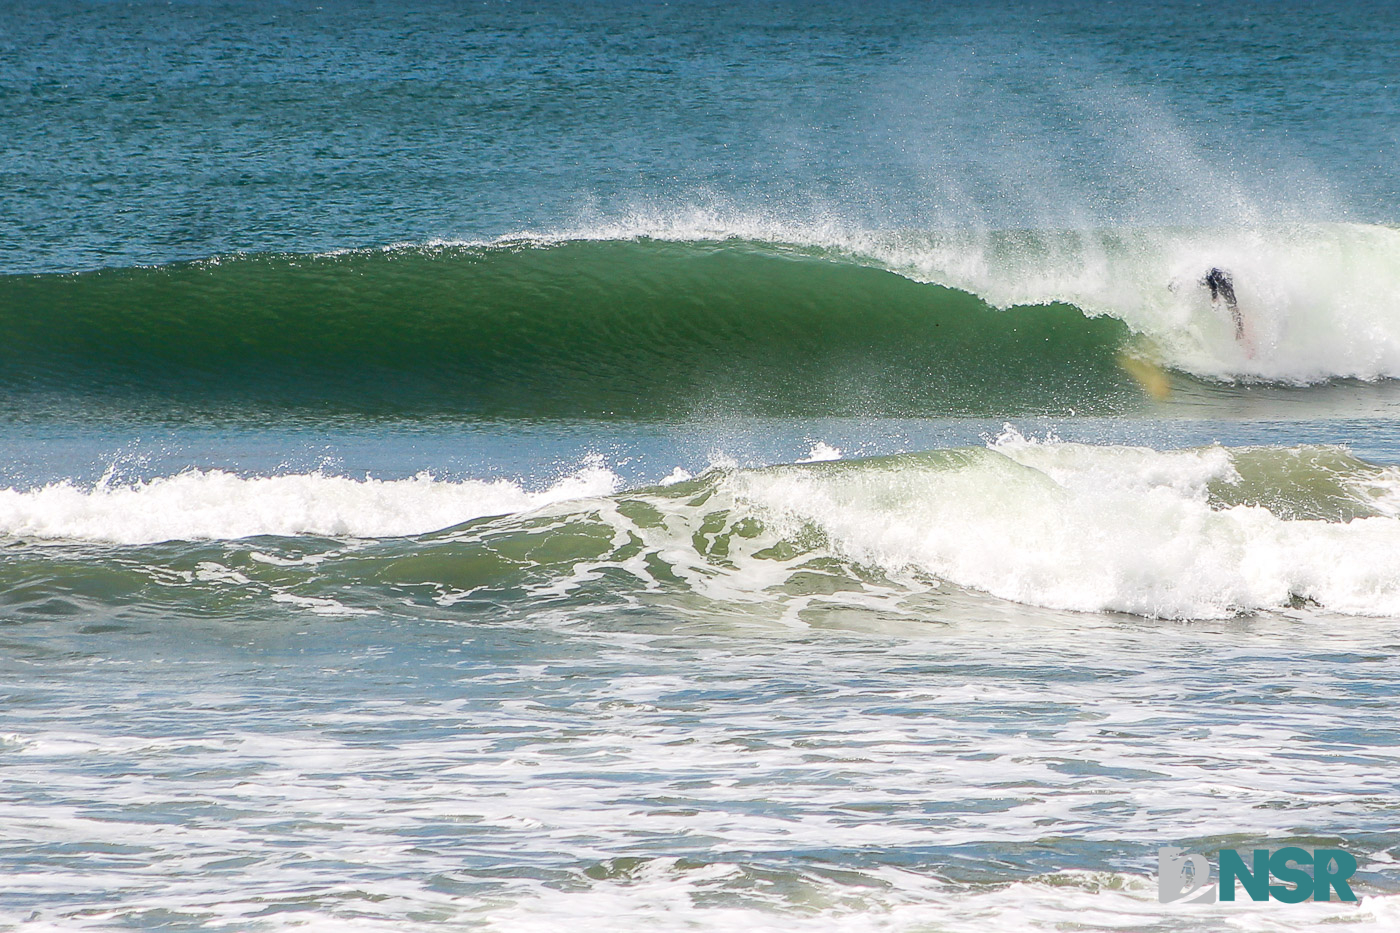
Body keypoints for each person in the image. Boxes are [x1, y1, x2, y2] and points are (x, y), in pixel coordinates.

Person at [1204, 267, 1243, 341]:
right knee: (1233, 306)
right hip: (1222, 276)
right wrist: (1214, 295)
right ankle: (1239, 329)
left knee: (1232, 306)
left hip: (1222, 278)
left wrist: (1214, 296)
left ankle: (1239, 329)